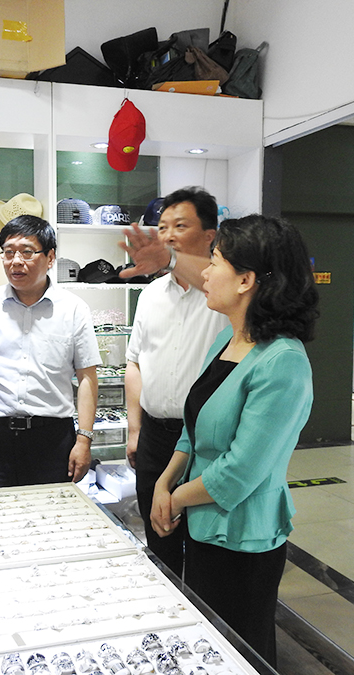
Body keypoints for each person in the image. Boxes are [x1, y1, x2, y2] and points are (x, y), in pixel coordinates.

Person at [149, 214, 319, 668]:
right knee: (209, 647)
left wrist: (174, 500)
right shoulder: (226, 342)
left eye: (215, 261)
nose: (205, 273)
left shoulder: (283, 362)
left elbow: (241, 470)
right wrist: (164, 483)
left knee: (241, 652)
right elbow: (193, 429)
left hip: (243, 537)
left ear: (246, 280)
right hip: (202, 523)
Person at [0, 214, 100, 489]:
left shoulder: (73, 309)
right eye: (8, 252)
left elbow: (87, 377)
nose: (16, 261)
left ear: (50, 257)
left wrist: (84, 439)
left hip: (52, 439)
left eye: (27, 252)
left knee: (49, 512)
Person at [125, 187, 227, 578]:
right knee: (159, 537)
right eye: (162, 227)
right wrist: (135, 429)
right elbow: (135, 362)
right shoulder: (151, 295)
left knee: (204, 543)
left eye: (180, 226)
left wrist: (171, 260)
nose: (167, 235)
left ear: (209, 235)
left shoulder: (224, 294)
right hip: (154, 436)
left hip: (205, 439)